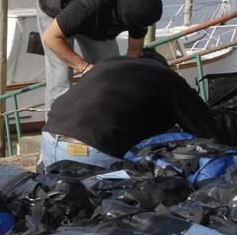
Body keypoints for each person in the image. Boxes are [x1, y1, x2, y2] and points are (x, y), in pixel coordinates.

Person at [38, 49, 226, 171]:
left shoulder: (108, 64)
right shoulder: (167, 77)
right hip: (89, 149)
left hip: (49, 138)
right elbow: (205, 128)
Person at [37, 0, 164, 113]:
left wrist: (124, 76)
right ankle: (56, 125)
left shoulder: (141, 8)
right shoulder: (88, 5)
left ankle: (105, 117)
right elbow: (50, 38)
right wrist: (84, 67)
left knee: (110, 71)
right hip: (54, 2)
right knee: (61, 78)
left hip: (92, 12)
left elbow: (134, 51)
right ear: (116, 16)